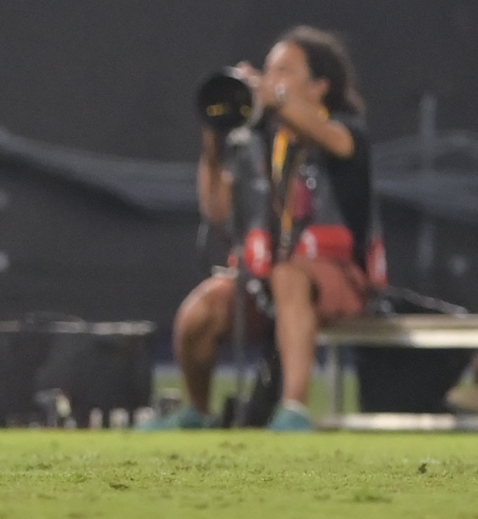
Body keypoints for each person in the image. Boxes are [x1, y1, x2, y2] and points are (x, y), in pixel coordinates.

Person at [152, 26, 378, 431]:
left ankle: (293, 410)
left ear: (320, 85)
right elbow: (216, 209)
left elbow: (335, 142)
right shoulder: (259, 139)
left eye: (285, 72)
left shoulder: (345, 129)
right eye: (269, 71)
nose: (272, 80)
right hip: (269, 282)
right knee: (201, 309)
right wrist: (213, 141)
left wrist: (274, 97)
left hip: (335, 278)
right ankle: (198, 411)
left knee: (289, 277)